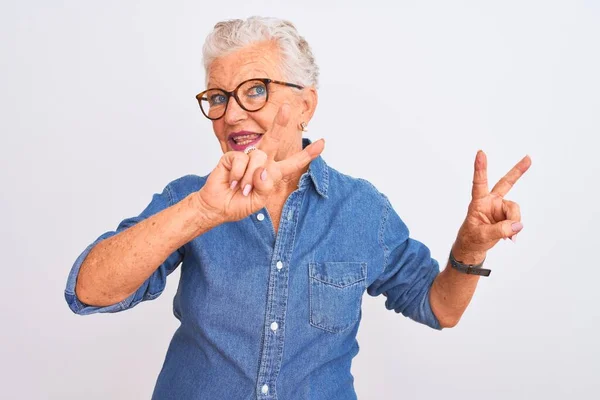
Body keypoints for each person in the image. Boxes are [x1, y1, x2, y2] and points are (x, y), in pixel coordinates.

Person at [64, 16, 531, 400]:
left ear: (305, 103)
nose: (230, 115)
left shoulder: (362, 208)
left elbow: (439, 308)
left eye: (255, 91)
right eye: (219, 98)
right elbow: (89, 291)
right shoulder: (188, 199)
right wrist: (202, 212)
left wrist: (469, 250)